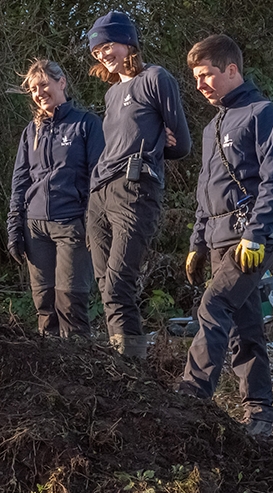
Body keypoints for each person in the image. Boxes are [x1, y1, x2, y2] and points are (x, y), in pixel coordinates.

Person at [177, 34, 273, 436]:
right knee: (246, 328)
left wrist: (257, 235)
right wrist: (196, 242)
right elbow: (205, 192)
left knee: (213, 305)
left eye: (206, 75)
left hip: (251, 237)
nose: (199, 85)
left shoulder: (264, 113)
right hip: (218, 238)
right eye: (195, 78)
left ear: (231, 70)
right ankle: (260, 412)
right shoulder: (212, 127)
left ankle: (191, 395)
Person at [84, 10, 191, 357]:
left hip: (135, 189)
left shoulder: (155, 78)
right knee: (105, 286)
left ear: (127, 41)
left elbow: (182, 143)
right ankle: (122, 365)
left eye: (107, 45)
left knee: (119, 283)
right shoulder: (112, 94)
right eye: (97, 51)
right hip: (99, 193)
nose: (102, 54)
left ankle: (133, 369)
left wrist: (158, 147)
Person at [8, 59, 104, 337]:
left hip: (72, 225)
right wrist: (14, 225)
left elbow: (97, 179)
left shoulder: (86, 124)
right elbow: (20, 180)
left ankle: (80, 375)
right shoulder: (31, 131)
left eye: (44, 85)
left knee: (70, 304)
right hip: (35, 228)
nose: (39, 93)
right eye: (33, 89)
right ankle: (50, 376)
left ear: (61, 83)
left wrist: (92, 221)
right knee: (45, 306)